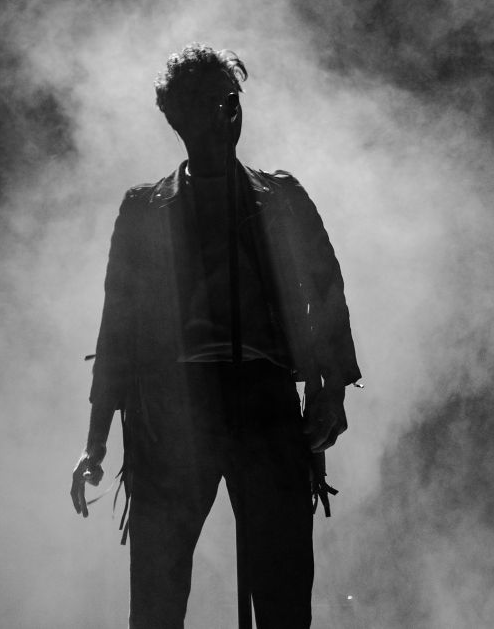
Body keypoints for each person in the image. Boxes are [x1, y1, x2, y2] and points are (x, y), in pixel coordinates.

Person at [70, 44, 361, 628]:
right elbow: (118, 325)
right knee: (156, 598)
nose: (232, 111)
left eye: (233, 100)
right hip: (172, 410)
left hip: (264, 401)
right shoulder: (144, 210)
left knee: (282, 592)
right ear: (183, 117)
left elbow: (326, 290)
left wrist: (330, 392)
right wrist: (96, 441)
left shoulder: (281, 197)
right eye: (217, 102)